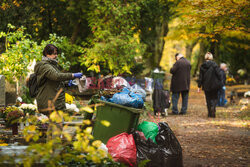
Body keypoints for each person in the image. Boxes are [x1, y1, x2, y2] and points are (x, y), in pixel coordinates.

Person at [34, 44, 83, 115]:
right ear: (47, 54)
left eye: (56, 54)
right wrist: (72, 75)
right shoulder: (44, 66)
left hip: (55, 103)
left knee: (57, 124)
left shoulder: (52, 65)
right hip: (49, 103)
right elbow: (56, 76)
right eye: (54, 54)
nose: (56, 56)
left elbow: (55, 81)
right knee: (54, 125)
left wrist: (67, 83)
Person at [197, 52, 223, 118]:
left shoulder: (202, 66)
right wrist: (221, 82)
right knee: (214, 98)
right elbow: (220, 75)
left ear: (205, 57)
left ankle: (209, 113)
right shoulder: (215, 65)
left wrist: (199, 86)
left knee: (208, 99)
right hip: (215, 85)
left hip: (206, 85)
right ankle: (213, 107)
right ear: (211, 57)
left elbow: (200, 77)